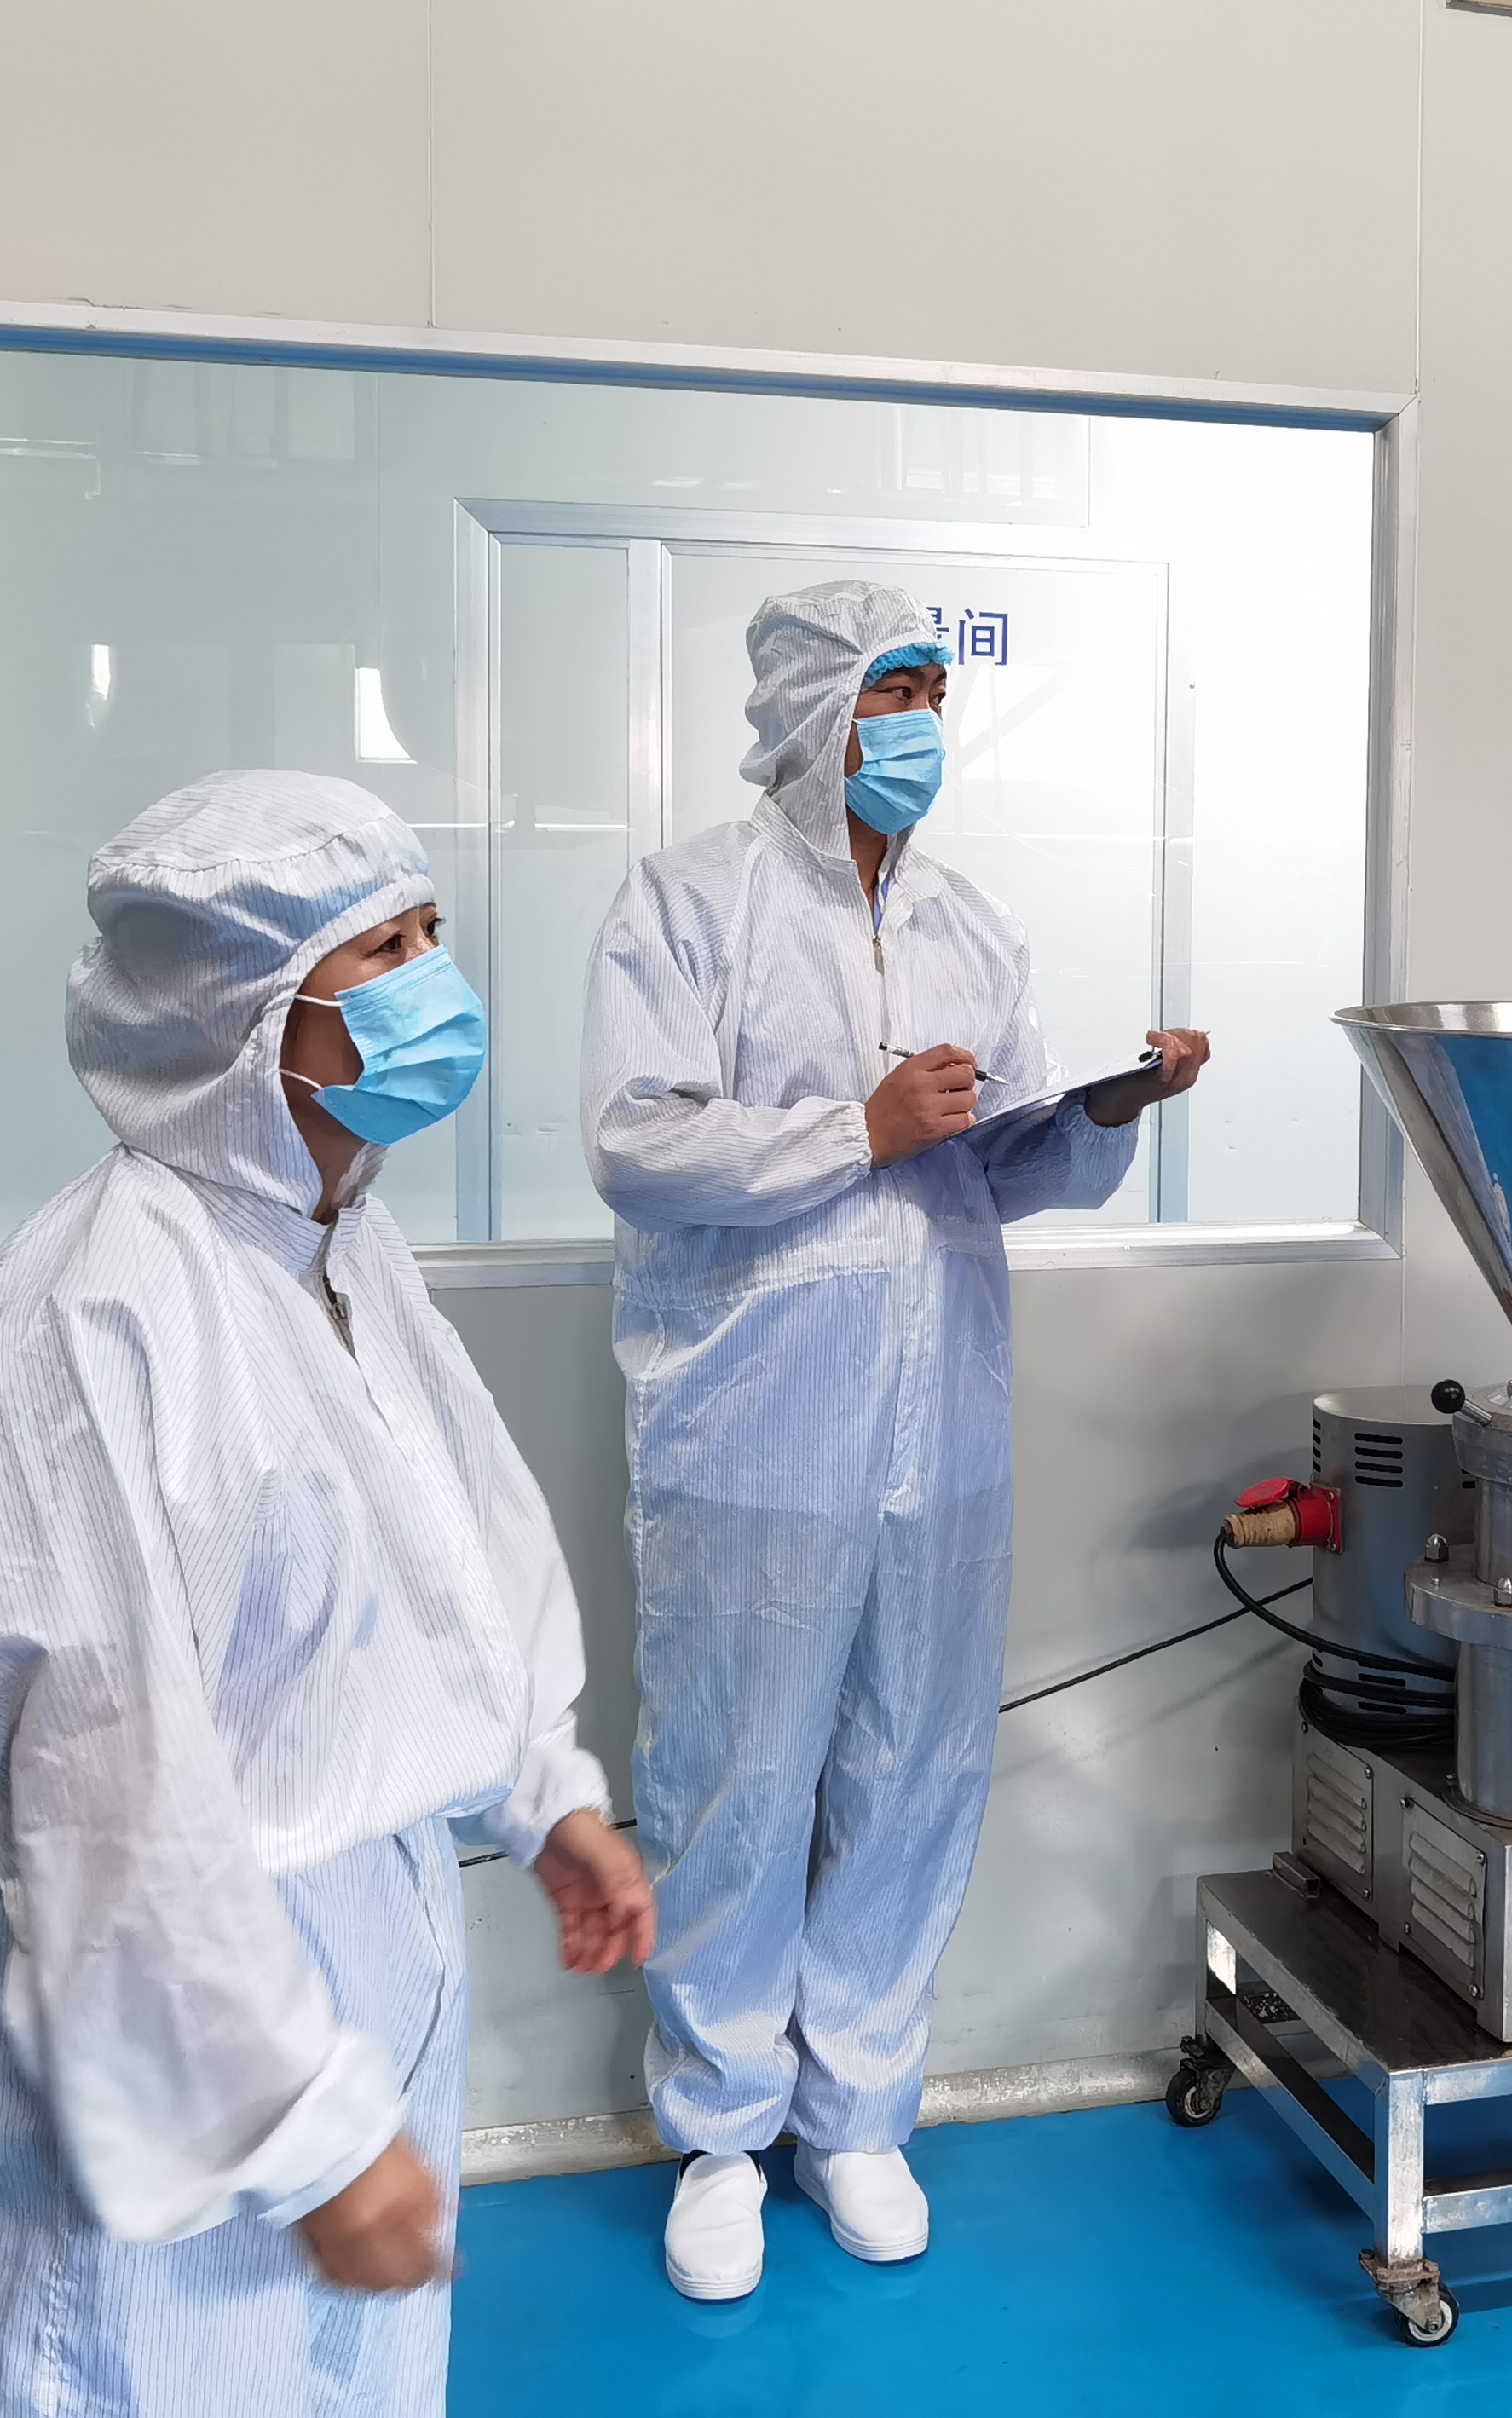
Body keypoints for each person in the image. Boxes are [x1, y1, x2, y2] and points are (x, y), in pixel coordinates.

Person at [0, 770, 655, 2417]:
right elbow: (106, 1794)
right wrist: (302, 2128)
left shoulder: (339, 1240)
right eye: (385, 951)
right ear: (249, 1017)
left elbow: (452, 1558)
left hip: (357, 1940)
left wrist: (545, 1795)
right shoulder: (105, 1315)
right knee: (142, 2377)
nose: (439, 981)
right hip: (155, 1994)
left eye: (434, 930)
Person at [579, 580, 1210, 2301]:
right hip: (752, 1422)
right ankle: (720, 2133)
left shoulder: (967, 926)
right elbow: (636, 1144)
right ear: (812, 711)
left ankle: (856, 2114)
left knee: (913, 1766)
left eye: (933, 690)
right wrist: (850, 1129)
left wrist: (1105, 1110)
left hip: (943, 1418)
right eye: (893, 689)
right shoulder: (685, 903)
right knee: (734, 1778)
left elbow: (994, 1163)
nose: (923, 721)